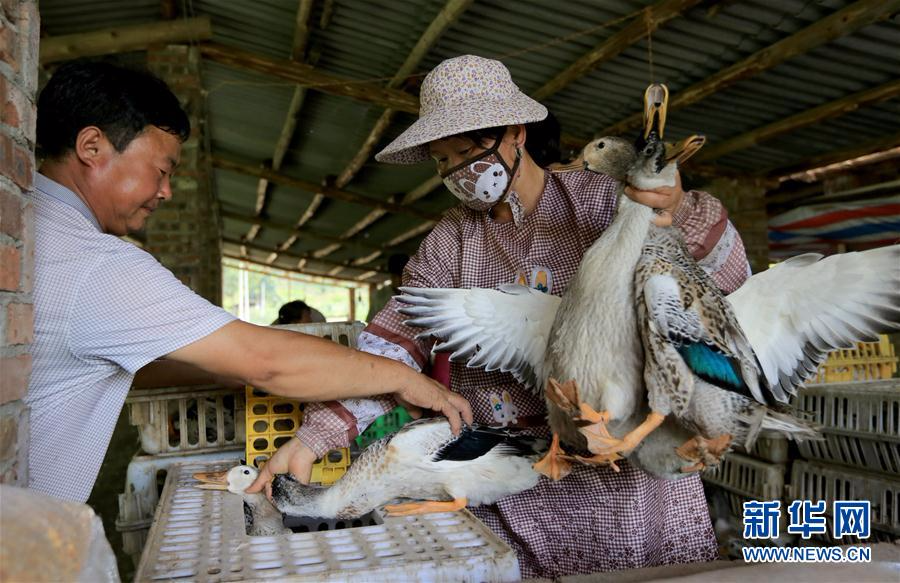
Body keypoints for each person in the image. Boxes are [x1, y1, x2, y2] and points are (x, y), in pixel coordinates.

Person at [255, 55, 752, 577]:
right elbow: (391, 346)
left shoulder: (602, 204)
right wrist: (315, 437)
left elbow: (724, 281)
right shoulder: (450, 243)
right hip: (513, 483)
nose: (458, 172)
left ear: (516, 133)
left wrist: (679, 210)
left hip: (631, 481)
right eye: (441, 159)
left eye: (468, 150)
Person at [24, 60, 472, 504]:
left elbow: (151, 362)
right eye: (161, 170)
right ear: (92, 146)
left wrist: (236, 368)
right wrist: (401, 377)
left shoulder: (30, 231)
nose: (166, 192)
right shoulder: (96, 263)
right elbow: (265, 361)